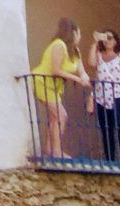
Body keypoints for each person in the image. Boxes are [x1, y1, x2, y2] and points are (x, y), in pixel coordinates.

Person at [29, 19, 89, 158]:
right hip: (43, 82)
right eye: (79, 33)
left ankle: (49, 149)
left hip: (55, 87)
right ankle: (56, 151)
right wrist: (77, 80)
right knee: (61, 115)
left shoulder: (75, 51)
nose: (80, 36)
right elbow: (56, 70)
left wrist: (85, 78)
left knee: (55, 117)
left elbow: (81, 70)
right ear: (73, 33)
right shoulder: (58, 45)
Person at [90, 28, 120, 161]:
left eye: (110, 37)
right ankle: (110, 159)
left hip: (118, 96)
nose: (107, 40)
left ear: (116, 41)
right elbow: (91, 63)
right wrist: (95, 43)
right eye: (105, 37)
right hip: (101, 98)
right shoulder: (99, 55)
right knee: (107, 130)